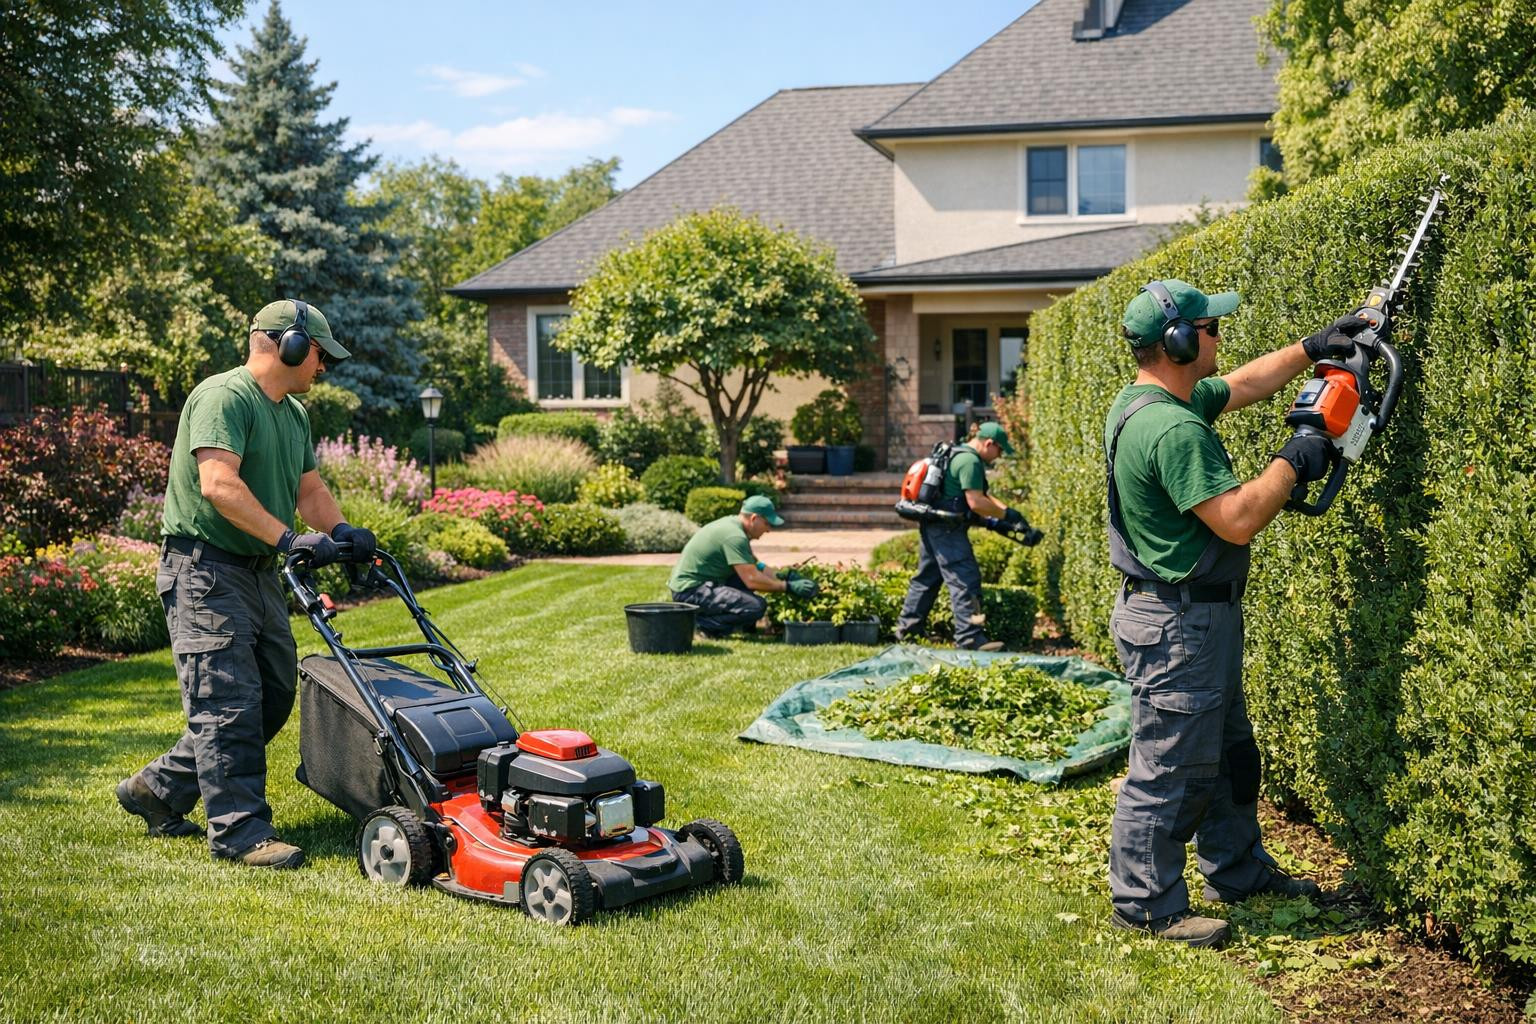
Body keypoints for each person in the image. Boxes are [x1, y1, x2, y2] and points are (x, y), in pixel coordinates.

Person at [1104, 279, 1361, 948]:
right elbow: (1238, 519)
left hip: (1193, 618)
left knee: (1225, 757)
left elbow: (1244, 384)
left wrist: (1312, 347)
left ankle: (1237, 870)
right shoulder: (1171, 429)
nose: (1220, 336)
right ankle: (1146, 904)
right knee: (1169, 770)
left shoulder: (1153, 401)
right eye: (1210, 328)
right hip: (1178, 625)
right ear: (1180, 342)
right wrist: (1293, 459)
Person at [115, 299, 376, 870]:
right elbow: (219, 486)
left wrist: (342, 530)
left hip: (256, 576)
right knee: (227, 703)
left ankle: (155, 791)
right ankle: (239, 833)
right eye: (319, 354)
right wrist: (288, 541)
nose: (323, 367)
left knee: (273, 697)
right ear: (288, 345)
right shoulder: (223, 397)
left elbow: (309, 491)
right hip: (205, 571)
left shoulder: (292, 413)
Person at [895, 421, 1027, 651]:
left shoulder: (957, 454)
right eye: (1000, 450)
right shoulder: (970, 461)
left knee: (927, 579)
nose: (999, 456)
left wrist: (1005, 518)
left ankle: (908, 631)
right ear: (989, 443)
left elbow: (982, 498)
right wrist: (1008, 514)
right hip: (948, 530)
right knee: (967, 580)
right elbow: (976, 502)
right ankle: (970, 637)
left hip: (933, 524)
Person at [668, 495, 817, 638]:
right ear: (754, 518)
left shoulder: (734, 527)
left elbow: (755, 566)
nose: (768, 529)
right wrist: (787, 587)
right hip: (690, 591)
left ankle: (740, 625)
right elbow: (752, 579)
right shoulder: (735, 536)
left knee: (747, 587)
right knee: (756, 606)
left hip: (698, 587)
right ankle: (704, 625)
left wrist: (782, 576)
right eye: (766, 523)